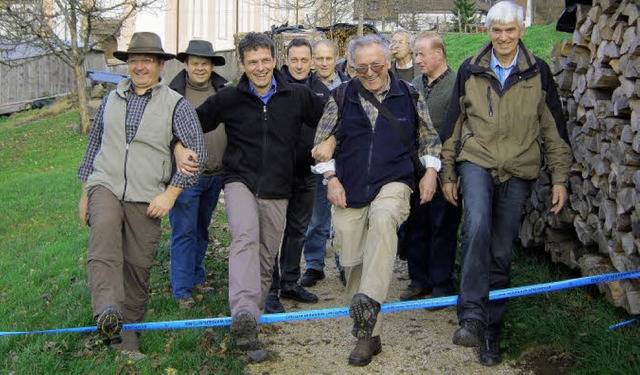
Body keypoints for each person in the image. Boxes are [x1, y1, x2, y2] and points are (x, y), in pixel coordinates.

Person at [441, 1, 571, 366]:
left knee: (500, 248)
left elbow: (554, 131)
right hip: (477, 161)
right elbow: (452, 124)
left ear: (521, 32)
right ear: (488, 33)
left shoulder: (538, 72)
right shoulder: (471, 69)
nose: (503, 37)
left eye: (509, 30)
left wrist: (560, 177)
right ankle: (470, 316)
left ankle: (491, 331)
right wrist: (449, 172)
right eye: (496, 31)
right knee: (477, 226)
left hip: (519, 167)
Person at [312, 34, 441, 367]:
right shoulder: (340, 96)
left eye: (376, 66)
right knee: (352, 259)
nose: (369, 73)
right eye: (361, 67)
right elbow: (320, 145)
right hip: (350, 187)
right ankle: (369, 331)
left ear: (388, 62)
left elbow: (429, 140)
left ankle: (367, 307)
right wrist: (331, 178)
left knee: (384, 220)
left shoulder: (409, 95)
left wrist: (430, 173)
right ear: (351, 66)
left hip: (394, 181)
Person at [195, 32, 324, 361]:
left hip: (279, 187)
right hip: (239, 180)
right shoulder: (229, 98)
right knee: (245, 239)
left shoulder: (297, 96)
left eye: (265, 60)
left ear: (274, 60)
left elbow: (332, 117)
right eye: (252, 62)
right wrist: (181, 147)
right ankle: (242, 314)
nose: (260, 67)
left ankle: (251, 323)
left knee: (266, 256)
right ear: (242, 65)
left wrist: (331, 144)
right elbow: (190, 122)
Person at [77, 32, 206, 359]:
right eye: (134, 60)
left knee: (137, 265)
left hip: (147, 194)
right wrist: (84, 193)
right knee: (103, 234)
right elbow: (94, 145)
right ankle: (107, 309)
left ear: (160, 65)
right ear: (128, 64)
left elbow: (197, 155)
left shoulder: (176, 105)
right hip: (105, 183)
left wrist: (170, 196)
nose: (140, 66)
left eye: (147, 60)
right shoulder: (111, 98)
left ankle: (127, 336)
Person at [397, 32, 462, 302]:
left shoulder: (458, 84)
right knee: (416, 225)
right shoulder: (413, 84)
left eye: (422, 54)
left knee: (443, 226)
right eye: (416, 54)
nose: (417, 59)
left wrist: (451, 173)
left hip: (446, 168)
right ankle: (418, 280)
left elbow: (460, 130)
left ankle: (441, 285)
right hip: (416, 170)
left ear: (439, 54)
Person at [167, 39, 228, 309]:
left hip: (216, 175)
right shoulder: (172, 95)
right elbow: (162, 132)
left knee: (202, 229)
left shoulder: (223, 90)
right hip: (186, 177)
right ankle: (182, 290)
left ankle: (197, 276)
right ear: (186, 65)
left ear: (212, 66)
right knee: (184, 231)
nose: (200, 68)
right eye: (195, 63)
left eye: (205, 63)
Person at [264, 38, 320, 314]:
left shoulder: (321, 90)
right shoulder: (273, 87)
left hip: (307, 171)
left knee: (298, 230)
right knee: (273, 232)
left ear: (311, 61)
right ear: (286, 60)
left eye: (304, 60)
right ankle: (270, 289)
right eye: (294, 60)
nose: (299, 65)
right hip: (276, 173)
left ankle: (289, 281)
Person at [299, 39, 350, 288]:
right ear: (312, 60)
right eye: (318, 58)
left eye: (328, 58)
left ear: (336, 58)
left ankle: (344, 263)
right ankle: (314, 264)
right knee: (316, 218)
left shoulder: (349, 85)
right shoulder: (305, 88)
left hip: (345, 161)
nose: (324, 62)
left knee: (343, 216)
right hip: (316, 162)